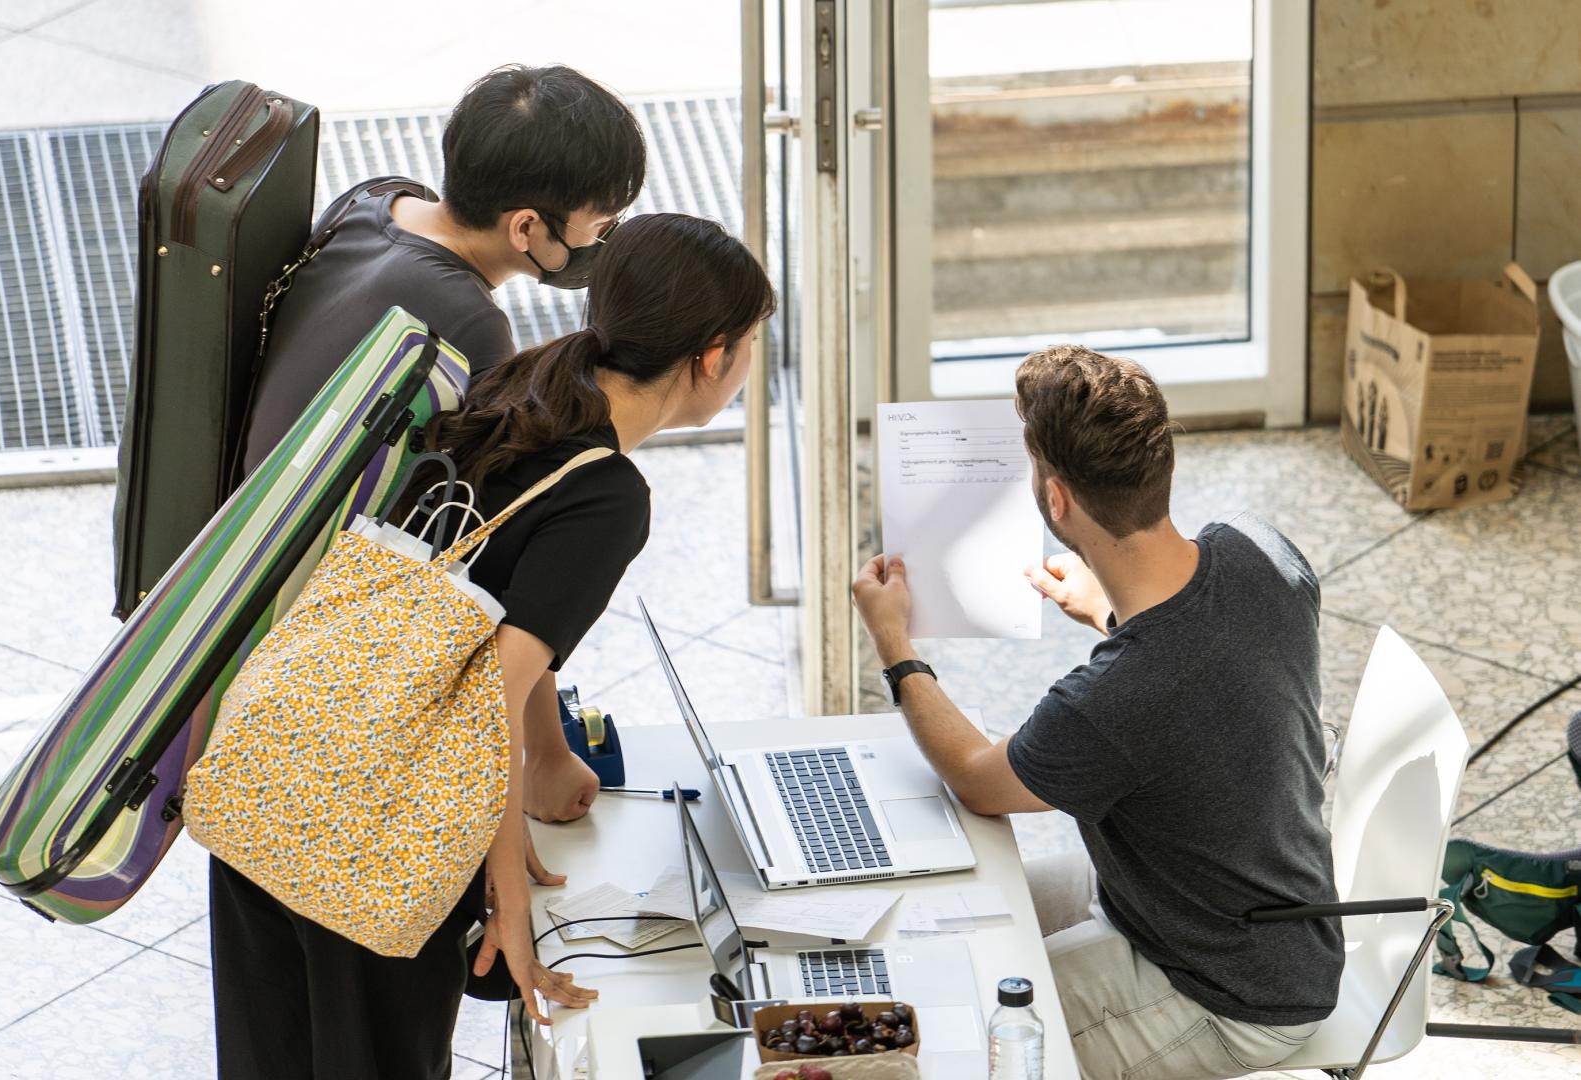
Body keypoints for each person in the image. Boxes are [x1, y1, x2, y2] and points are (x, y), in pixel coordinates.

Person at [210, 213, 776, 1080]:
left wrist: (549, 759)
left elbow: (494, 622)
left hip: (273, 772)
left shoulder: (528, 383)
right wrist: (508, 899)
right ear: (712, 356)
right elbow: (486, 702)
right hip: (370, 827)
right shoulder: (608, 497)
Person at [849, 345, 1343, 1080]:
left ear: (1056, 501)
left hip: (1228, 991)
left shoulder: (1112, 701)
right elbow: (1211, 664)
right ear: (1162, 465)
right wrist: (1111, 612)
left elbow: (976, 781)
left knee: (966, 1034)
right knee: (958, 914)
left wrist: (892, 640)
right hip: (1212, 905)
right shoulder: (1260, 549)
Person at [241, 63, 646, 823]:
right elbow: (489, 551)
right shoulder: (466, 327)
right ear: (526, 228)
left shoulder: (374, 204)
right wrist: (547, 755)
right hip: (319, 642)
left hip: (252, 556)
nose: (600, 242)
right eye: (597, 226)